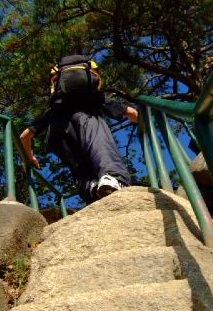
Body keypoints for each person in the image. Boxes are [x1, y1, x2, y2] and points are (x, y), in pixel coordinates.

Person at [20, 55, 138, 202]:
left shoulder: (54, 110)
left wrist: (29, 156)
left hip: (58, 134)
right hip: (87, 118)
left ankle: (91, 188)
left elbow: (24, 136)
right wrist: (146, 125)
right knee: (99, 144)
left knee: (78, 167)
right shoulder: (96, 99)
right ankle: (113, 178)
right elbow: (132, 113)